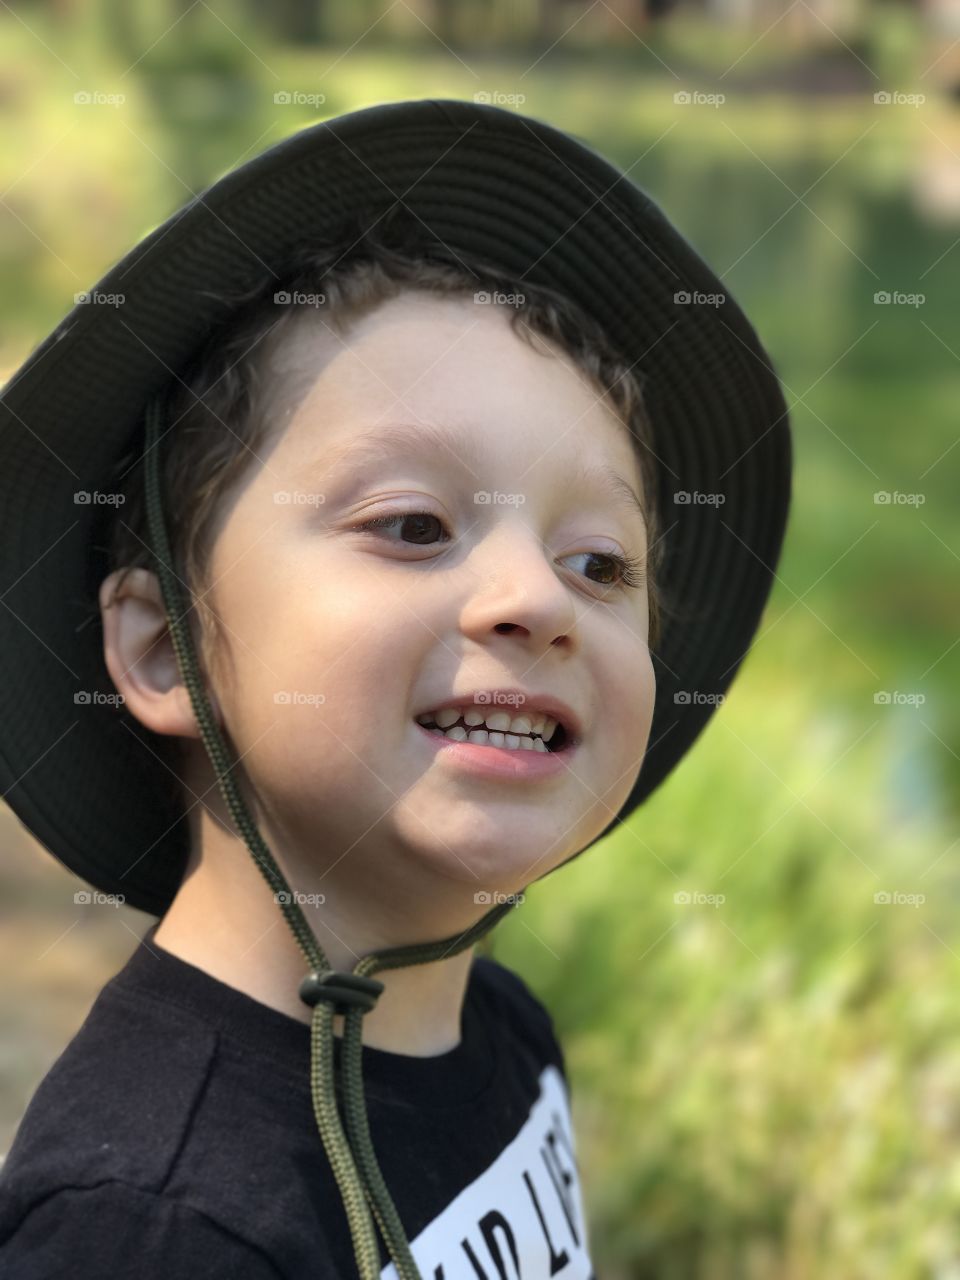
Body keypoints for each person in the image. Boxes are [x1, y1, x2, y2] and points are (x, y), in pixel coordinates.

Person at [0, 98, 792, 1278]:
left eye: (603, 563)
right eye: (414, 523)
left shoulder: (505, 1033)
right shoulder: (154, 1222)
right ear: (165, 649)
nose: (538, 597)